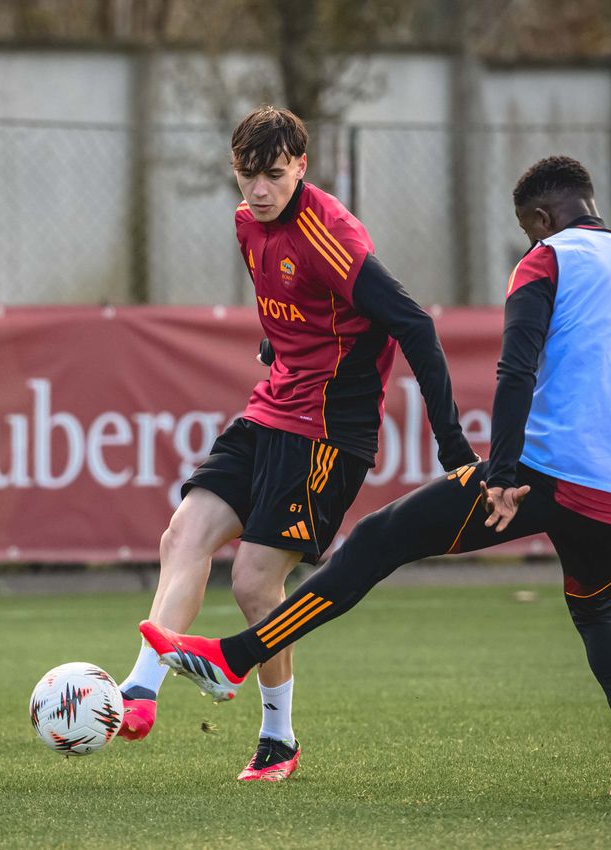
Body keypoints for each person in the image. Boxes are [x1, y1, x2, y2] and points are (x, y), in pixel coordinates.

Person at [138, 155, 611, 798]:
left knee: (380, 539)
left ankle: (233, 658)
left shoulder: (547, 262)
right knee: (599, 612)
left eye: (528, 228)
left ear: (540, 218)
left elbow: (515, 371)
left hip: (537, 476)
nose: (528, 239)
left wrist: (503, 472)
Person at [116, 106, 479, 781]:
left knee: (255, 581)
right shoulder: (246, 224)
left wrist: (451, 443)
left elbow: (413, 325)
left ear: (301, 167)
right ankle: (140, 687)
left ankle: (277, 738)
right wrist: (276, 341)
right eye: (248, 175)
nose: (259, 191)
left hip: (326, 433)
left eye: (274, 176)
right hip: (270, 409)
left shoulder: (329, 233)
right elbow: (299, 310)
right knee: (182, 533)